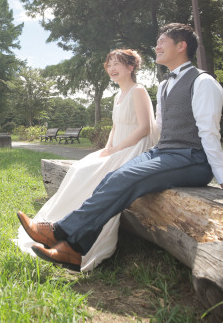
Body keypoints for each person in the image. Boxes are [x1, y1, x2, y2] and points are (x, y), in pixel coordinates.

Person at [18, 23, 223, 271]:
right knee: (112, 177)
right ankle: (73, 250)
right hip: (163, 153)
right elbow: (159, 127)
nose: (157, 46)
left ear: (182, 46)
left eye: (163, 42)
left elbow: (209, 131)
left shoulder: (204, 82)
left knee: (126, 177)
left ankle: (60, 232)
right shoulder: (164, 85)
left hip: (192, 158)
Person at [15, 49, 158, 271]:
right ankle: (53, 229)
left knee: (89, 173)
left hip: (134, 148)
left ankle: (64, 234)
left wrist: (117, 149)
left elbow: (145, 128)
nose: (112, 68)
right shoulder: (118, 96)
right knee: (80, 168)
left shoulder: (138, 91)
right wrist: (108, 148)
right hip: (118, 146)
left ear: (131, 67)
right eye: (109, 64)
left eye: (117, 63)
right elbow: (116, 127)